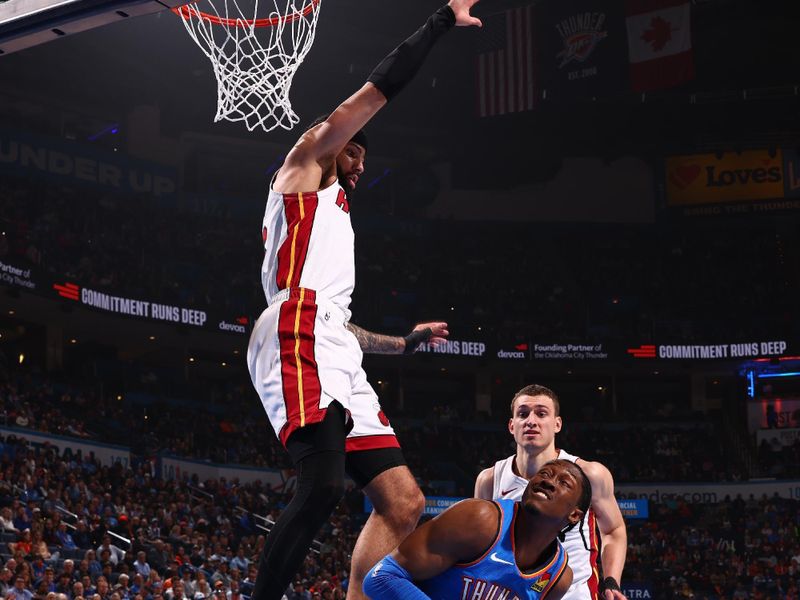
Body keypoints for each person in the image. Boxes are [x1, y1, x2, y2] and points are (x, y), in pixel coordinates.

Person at [245, 2, 481, 599]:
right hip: (295, 324)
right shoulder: (303, 168)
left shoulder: (338, 220)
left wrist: (404, 342)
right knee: (322, 485)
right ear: (334, 141)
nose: (360, 163)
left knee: (404, 503)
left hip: (331, 339)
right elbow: (378, 90)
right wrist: (440, 23)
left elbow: (341, 327)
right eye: (355, 150)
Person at [474, 385, 628, 600]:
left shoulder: (589, 474)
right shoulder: (489, 480)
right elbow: (480, 546)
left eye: (541, 413)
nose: (531, 420)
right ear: (511, 425)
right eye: (523, 414)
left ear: (557, 424)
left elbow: (613, 529)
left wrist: (611, 581)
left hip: (574, 593)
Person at [363, 459, 591, 600]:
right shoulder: (480, 520)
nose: (548, 481)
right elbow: (380, 578)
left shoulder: (557, 578)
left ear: (575, 515)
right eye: (545, 473)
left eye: (564, 483)